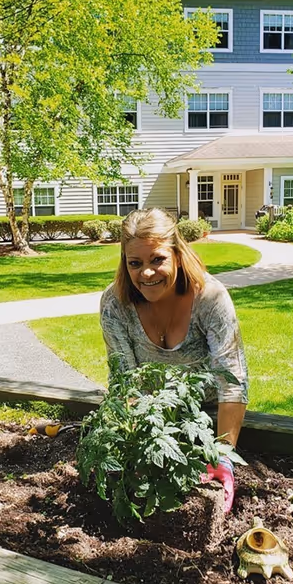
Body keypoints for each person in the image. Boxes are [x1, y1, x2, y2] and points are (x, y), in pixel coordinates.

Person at [100, 207, 248, 513]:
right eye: (135, 263)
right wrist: (138, 448)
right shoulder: (115, 304)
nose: (147, 273)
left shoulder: (210, 298)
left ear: (177, 254)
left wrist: (220, 456)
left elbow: (232, 380)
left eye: (157, 259)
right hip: (153, 422)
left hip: (208, 420)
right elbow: (124, 381)